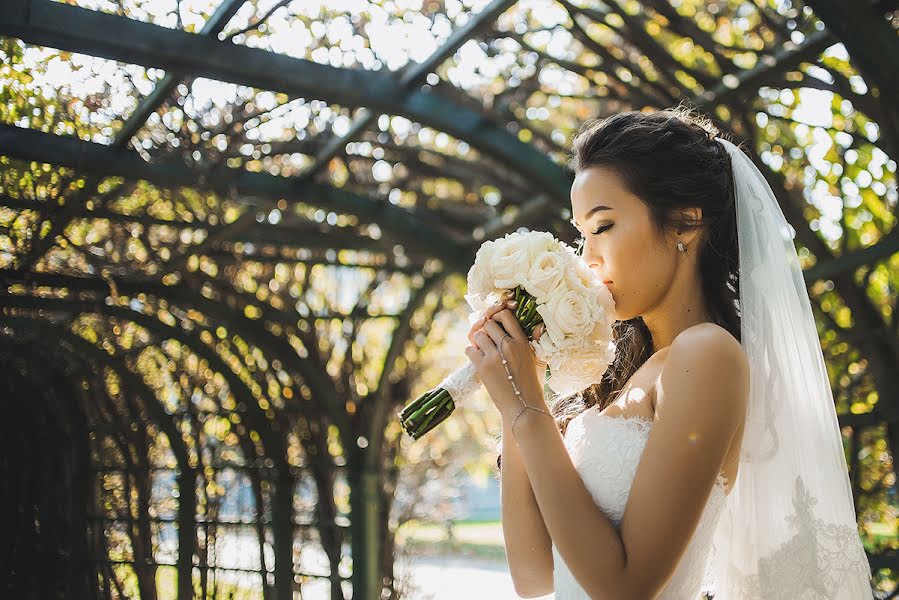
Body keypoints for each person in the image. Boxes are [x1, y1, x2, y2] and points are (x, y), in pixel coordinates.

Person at [463, 106, 874, 599]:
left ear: (684, 222)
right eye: (581, 234)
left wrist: (526, 406)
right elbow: (534, 576)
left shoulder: (708, 354)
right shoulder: (625, 375)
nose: (587, 257)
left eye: (604, 226)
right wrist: (514, 396)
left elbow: (626, 587)